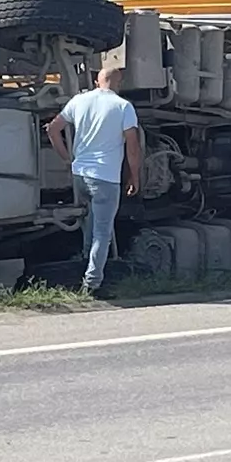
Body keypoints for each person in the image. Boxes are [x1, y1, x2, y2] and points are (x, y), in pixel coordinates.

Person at [46, 67, 143, 293]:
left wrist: (67, 158)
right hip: (105, 178)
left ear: (97, 81)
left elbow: (53, 129)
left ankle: (84, 262)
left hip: (80, 175)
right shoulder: (123, 107)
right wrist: (134, 176)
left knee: (91, 222)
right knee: (103, 232)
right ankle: (91, 284)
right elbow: (133, 148)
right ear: (118, 83)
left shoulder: (79, 101)